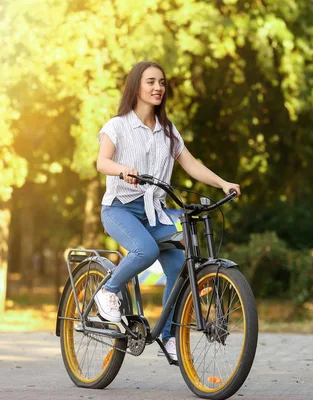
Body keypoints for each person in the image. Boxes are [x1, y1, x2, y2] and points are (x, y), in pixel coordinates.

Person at [95, 61, 241, 361]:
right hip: (119, 209)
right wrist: (123, 171)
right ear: (137, 86)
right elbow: (102, 162)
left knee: (180, 267)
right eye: (150, 82)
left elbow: (191, 164)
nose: (158, 87)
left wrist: (222, 182)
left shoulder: (168, 132)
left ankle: (168, 336)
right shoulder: (117, 125)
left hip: (154, 212)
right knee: (145, 250)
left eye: (161, 82)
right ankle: (108, 290)